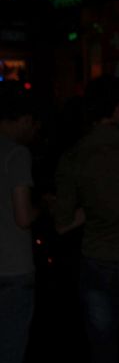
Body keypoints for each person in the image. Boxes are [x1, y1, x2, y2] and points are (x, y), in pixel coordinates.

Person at [54, 75, 119, 363]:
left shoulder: (75, 155)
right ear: (118, 109)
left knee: (103, 349)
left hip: (97, 258)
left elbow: (62, 223)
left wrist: (92, 208)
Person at [0, 82, 39, 363]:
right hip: (13, 267)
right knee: (11, 349)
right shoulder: (17, 154)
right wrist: (44, 207)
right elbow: (23, 216)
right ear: (24, 119)